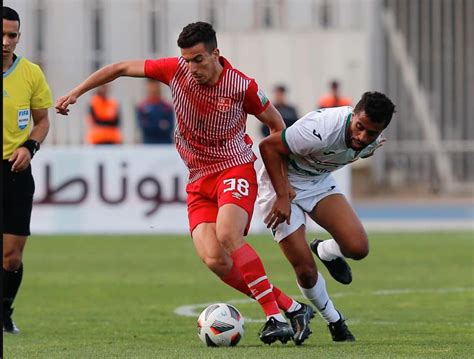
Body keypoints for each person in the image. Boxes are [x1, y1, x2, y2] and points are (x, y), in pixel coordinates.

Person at [56, 22, 315, 345]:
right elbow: (119, 67)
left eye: (198, 60)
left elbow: (277, 126)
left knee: (227, 235)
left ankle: (274, 317)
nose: (191, 68)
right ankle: (291, 307)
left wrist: (282, 187)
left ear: (215, 54)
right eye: (186, 60)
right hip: (198, 180)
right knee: (214, 259)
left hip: (234, 169)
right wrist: (75, 93)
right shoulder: (175, 71)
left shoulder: (241, 86)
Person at [257, 92, 396, 342]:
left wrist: (368, 146)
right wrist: (281, 194)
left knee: (358, 247)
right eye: (359, 127)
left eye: (371, 133)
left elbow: (362, 146)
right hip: (279, 183)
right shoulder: (319, 129)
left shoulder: (372, 142)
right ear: (353, 115)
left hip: (317, 183)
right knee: (306, 271)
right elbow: (268, 147)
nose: (362, 137)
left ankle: (325, 251)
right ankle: (335, 320)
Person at [3, 6, 53, 334]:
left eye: (12, 35)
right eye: (1, 34)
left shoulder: (31, 73)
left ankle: (4, 312)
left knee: (11, 258)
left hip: (14, 173)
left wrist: (30, 147)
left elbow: (42, 121)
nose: (6, 41)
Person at [135, 79, 175, 144]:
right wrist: (160, 126)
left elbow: (170, 127)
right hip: (148, 144)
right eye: (151, 85)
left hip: (165, 144)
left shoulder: (167, 107)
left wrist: (152, 125)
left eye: (156, 84)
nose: (153, 88)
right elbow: (143, 127)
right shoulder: (142, 107)